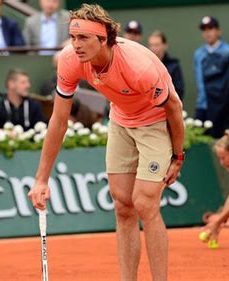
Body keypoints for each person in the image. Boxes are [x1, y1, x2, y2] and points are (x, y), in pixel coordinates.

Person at [28, 4, 184, 281]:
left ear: (105, 39)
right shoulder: (69, 59)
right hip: (121, 120)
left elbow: (173, 106)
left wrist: (178, 155)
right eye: (73, 37)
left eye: (83, 38)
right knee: (123, 206)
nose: (75, 45)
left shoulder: (138, 66)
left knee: (145, 203)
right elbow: (59, 122)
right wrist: (42, 179)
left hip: (155, 121)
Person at [193, 16, 229, 121]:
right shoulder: (198, 54)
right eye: (204, 30)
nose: (207, 32)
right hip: (202, 106)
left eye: (210, 28)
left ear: (218, 31)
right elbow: (199, 80)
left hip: (222, 107)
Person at [148, 30, 185, 100]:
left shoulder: (174, 66)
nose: (153, 48)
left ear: (165, 46)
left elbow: (179, 91)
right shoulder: (145, 66)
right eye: (151, 45)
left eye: (157, 45)